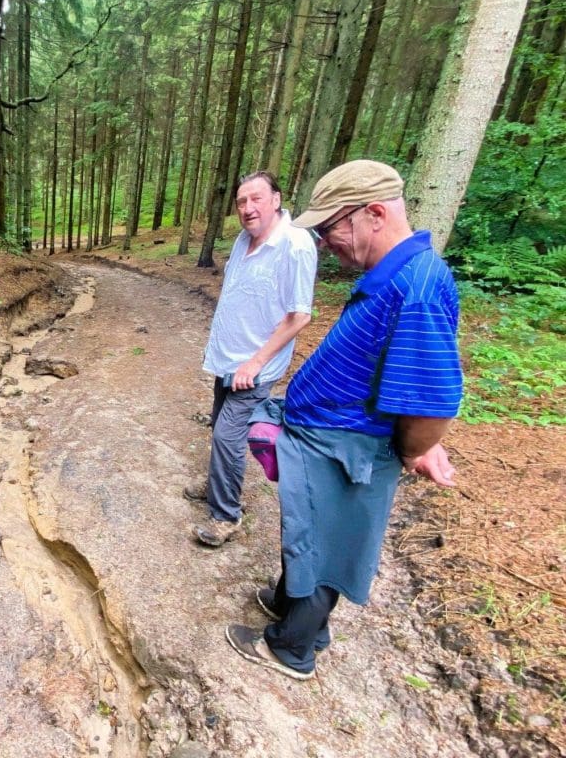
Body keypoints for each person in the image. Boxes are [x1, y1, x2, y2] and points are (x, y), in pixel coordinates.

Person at [225, 160, 463, 680]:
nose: (326, 241)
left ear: (373, 214)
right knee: (306, 531)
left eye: (331, 227)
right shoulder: (397, 274)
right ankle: (293, 604)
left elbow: (432, 402)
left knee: (325, 545)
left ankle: (292, 645)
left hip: (349, 449)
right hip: (328, 440)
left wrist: (414, 449)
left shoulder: (417, 286)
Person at [189, 171, 317, 547]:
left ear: (276, 199)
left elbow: (299, 315)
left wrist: (255, 363)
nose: (248, 208)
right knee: (219, 427)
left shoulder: (295, 245)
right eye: (242, 202)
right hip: (227, 360)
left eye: (256, 199)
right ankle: (217, 484)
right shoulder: (242, 241)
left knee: (229, 436)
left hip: (254, 369)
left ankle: (226, 516)